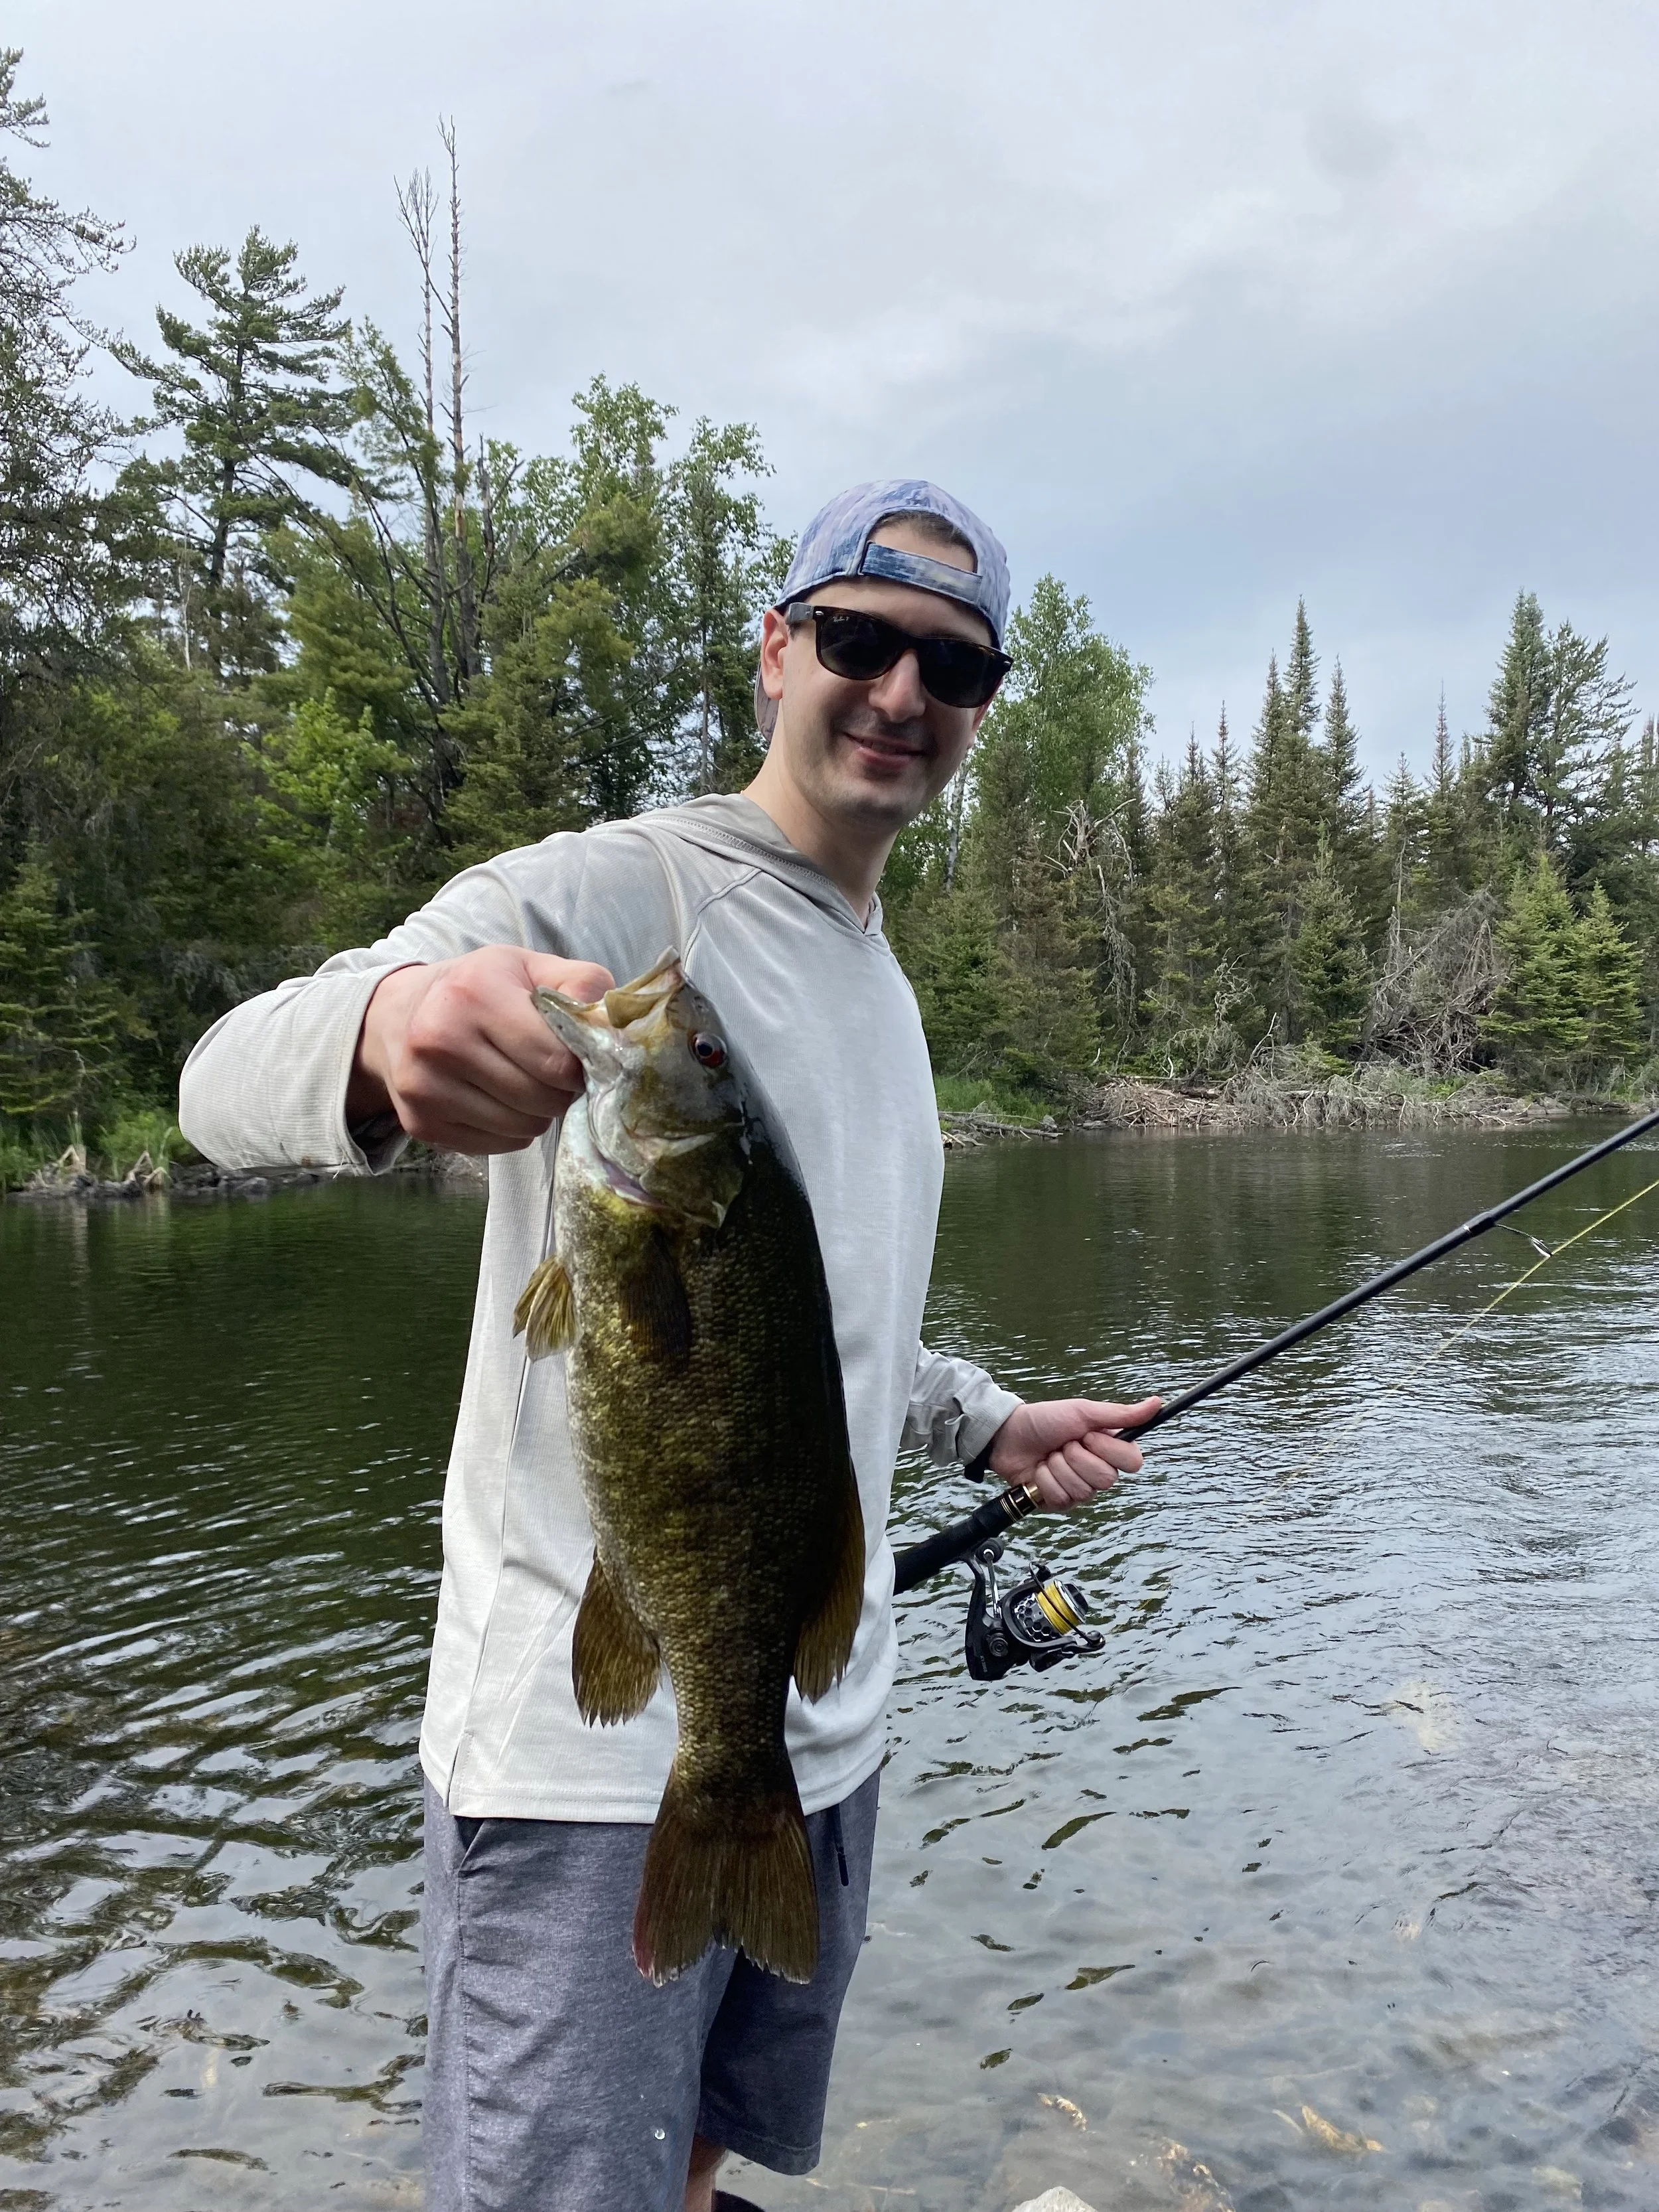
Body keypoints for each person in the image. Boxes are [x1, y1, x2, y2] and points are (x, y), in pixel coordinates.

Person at [179, 479, 1159, 2212]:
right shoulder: (625, 892)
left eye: (951, 666)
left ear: (982, 705)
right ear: (777, 650)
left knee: (696, 2164)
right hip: (583, 1775)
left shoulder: (878, 972)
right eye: (858, 639)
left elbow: (820, 1332)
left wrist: (986, 1424)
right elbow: (217, 1082)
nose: (901, 692)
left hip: (812, 1741)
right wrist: (389, 1034)